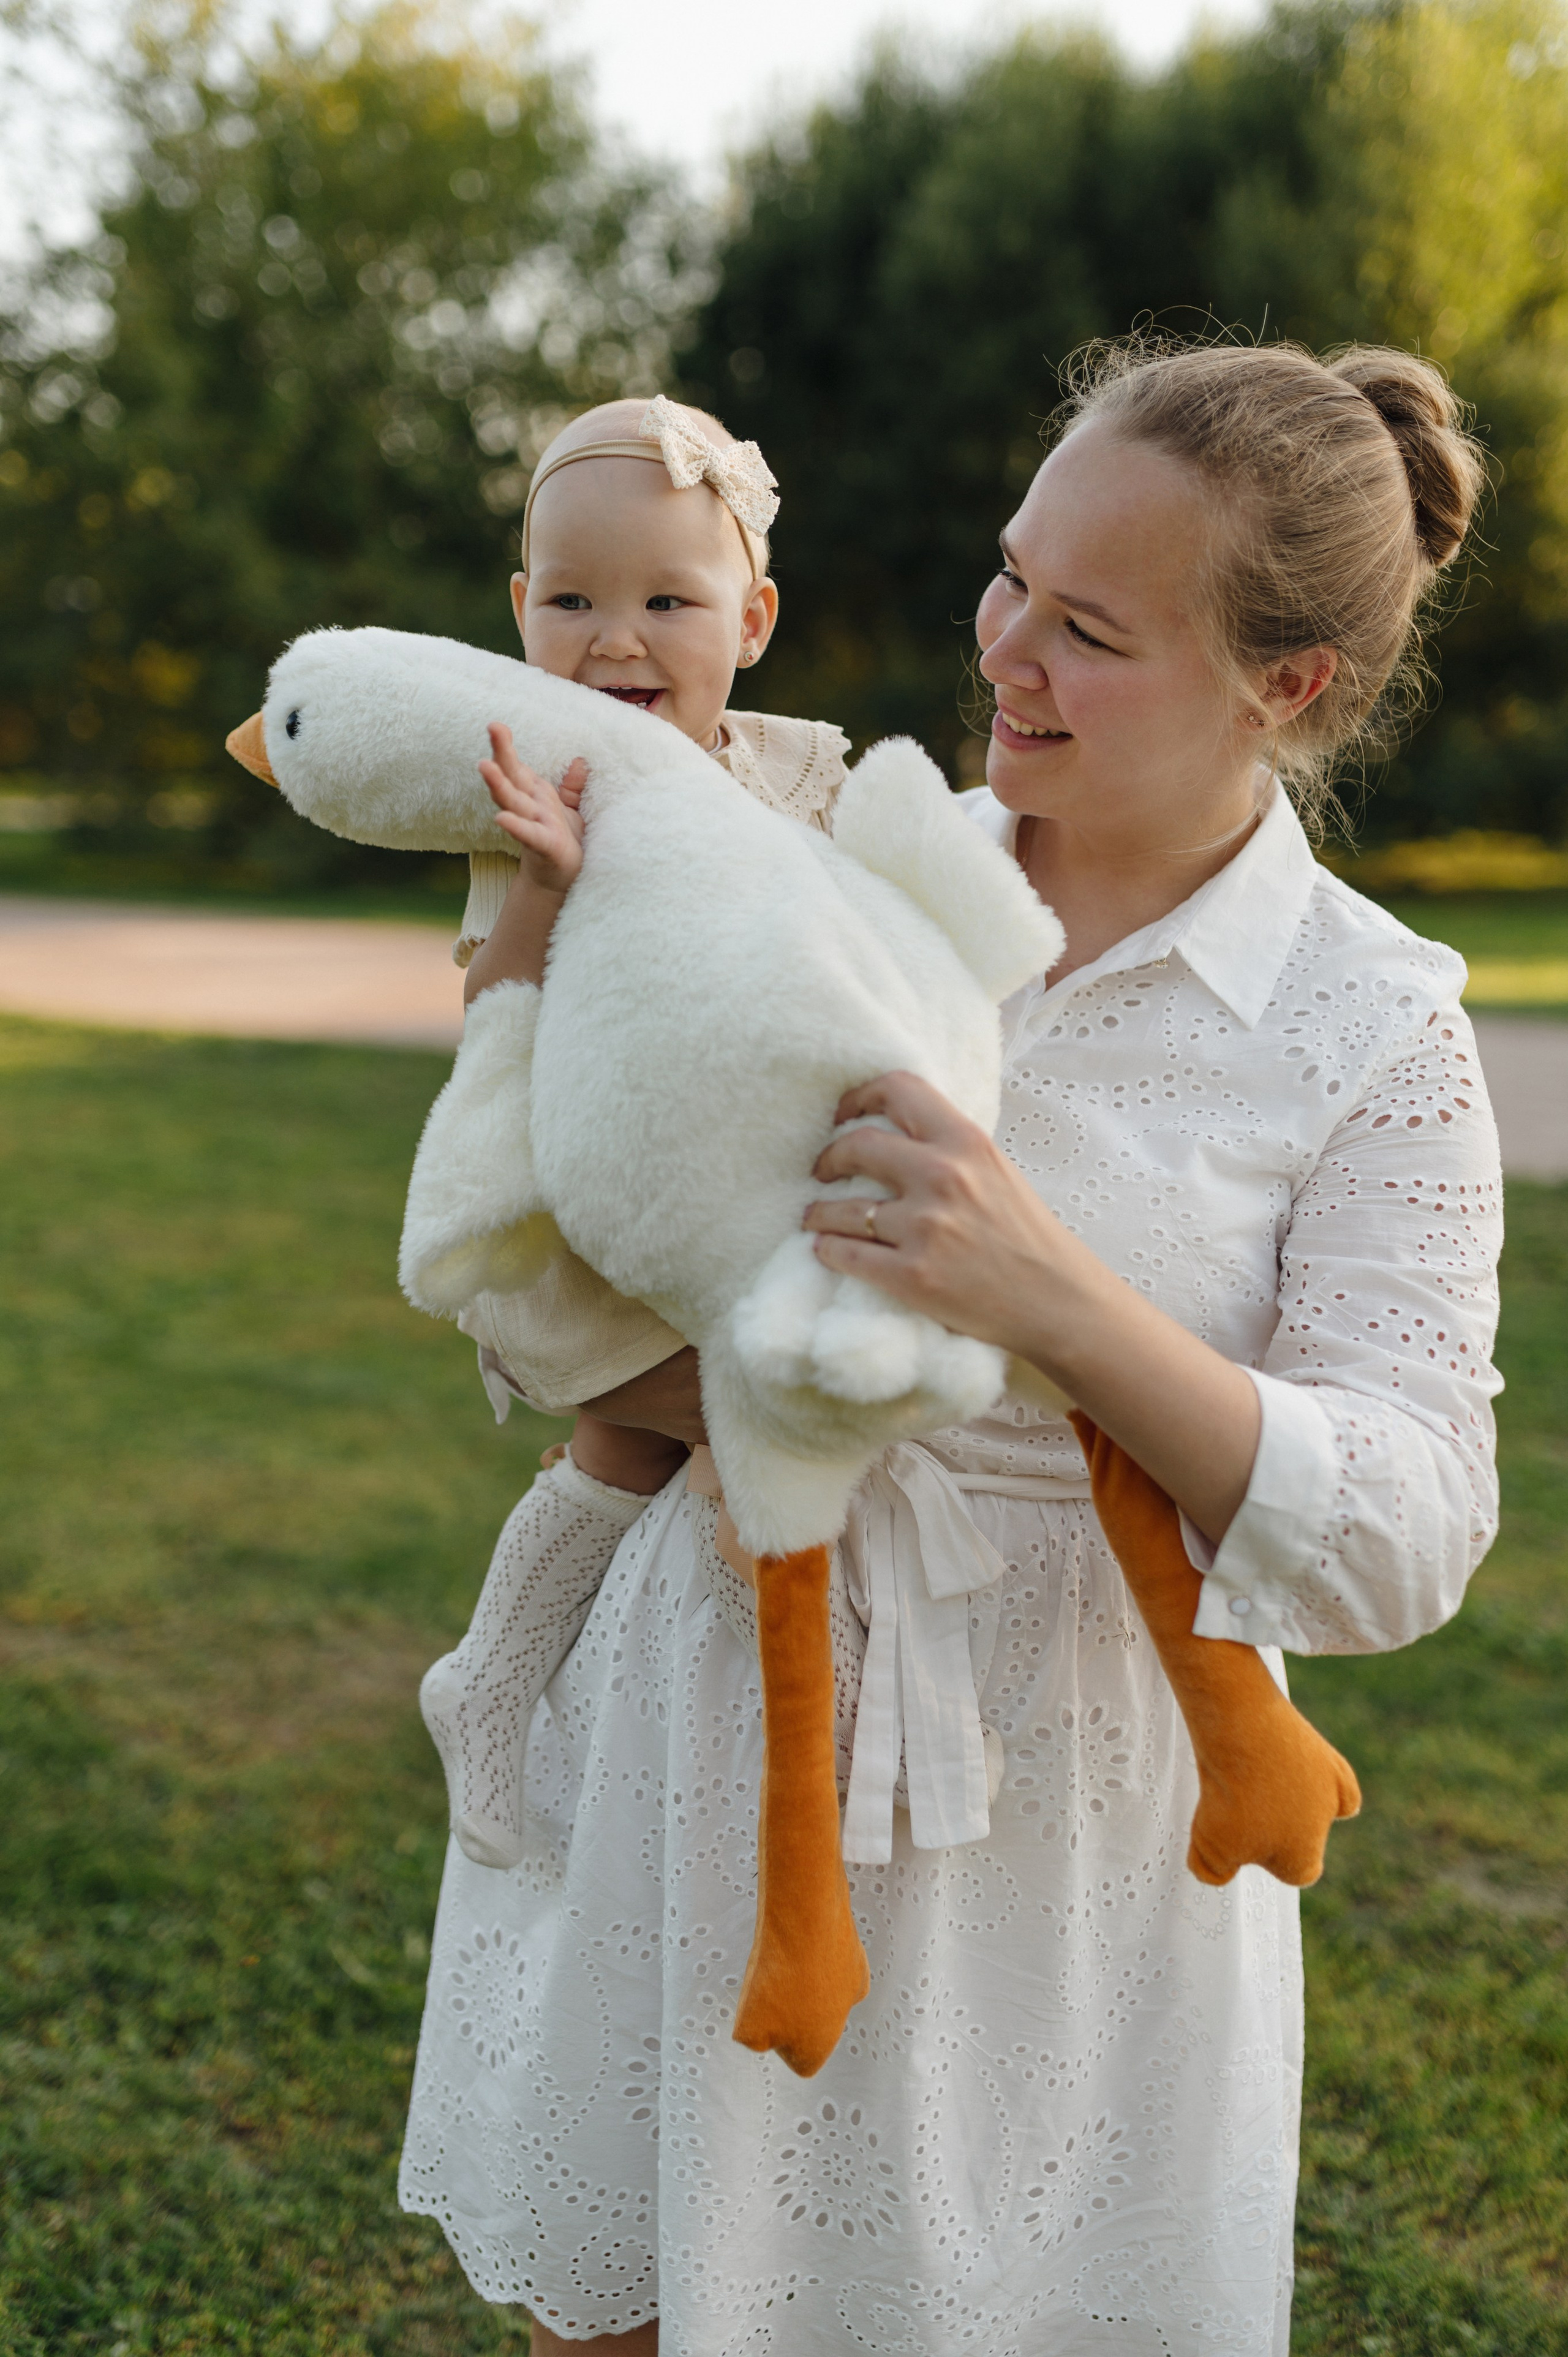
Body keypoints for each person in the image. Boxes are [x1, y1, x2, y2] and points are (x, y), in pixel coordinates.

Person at [399, 338, 1502, 2356]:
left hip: (1069, 1860)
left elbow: (1405, 1539)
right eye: (1013, 579)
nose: (1005, 650)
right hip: (720, 1724)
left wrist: (1046, 1296)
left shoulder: (1375, 1034)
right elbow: (545, 1284)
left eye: (1087, 630)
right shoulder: (829, 863)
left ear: (1292, 685)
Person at [416, 394, 854, 1871]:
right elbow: (497, 1006)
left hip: (735, 1201)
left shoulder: (796, 780)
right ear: (519, 612)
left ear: (754, 620)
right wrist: (543, 880)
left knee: (625, 1446)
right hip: (591, 1217)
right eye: (574, 599)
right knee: (761, 1434)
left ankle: (492, 1683)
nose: (616, 638)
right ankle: (783, 1748)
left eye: (669, 599)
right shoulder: (539, 796)